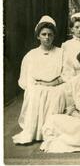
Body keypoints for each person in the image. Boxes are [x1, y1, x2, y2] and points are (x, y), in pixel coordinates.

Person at [12, 15, 66, 144]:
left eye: (50, 34)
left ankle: (51, 132)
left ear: (54, 36)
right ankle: (35, 131)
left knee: (58, 93)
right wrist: (37, 85)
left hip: (56, 86)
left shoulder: (61, 53)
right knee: (35, 93)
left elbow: (67, 74)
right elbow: (27, 78)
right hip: (37, 87)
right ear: (38, 36)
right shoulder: (31, 55)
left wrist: (52, 83)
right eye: (44, 34)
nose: (47, 37)